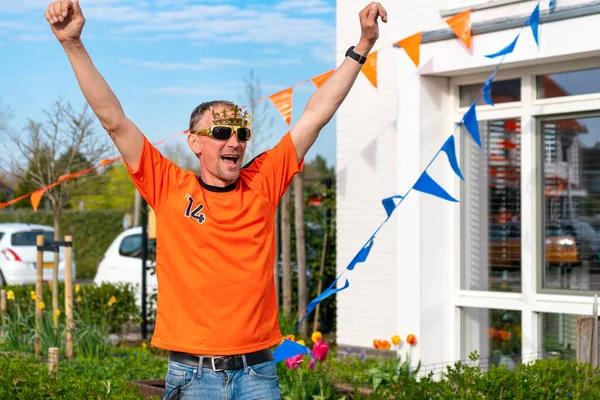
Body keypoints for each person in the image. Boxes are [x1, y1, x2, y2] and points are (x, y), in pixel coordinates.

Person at [44, 0, 387, 398]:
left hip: (258, 375)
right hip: (193, 379)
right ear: (194, 143)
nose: (235, 141)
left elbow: (315, 114)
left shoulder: (262, 182)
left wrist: (362, 45)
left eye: (241, 133)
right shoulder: (169, 187)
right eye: (222, 132)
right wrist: (73, 44)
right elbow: (114, 120)